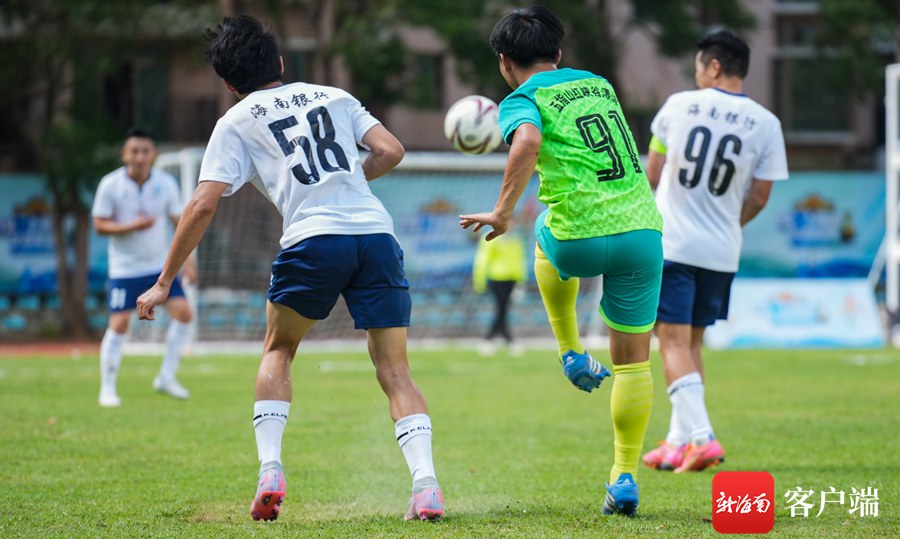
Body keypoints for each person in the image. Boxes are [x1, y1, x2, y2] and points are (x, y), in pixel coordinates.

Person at [135, 14, 443, 522]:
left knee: (278, 350)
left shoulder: (235, 120)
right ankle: (426, 485)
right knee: (395, 370)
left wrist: (164, 280)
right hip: (376, 235)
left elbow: (202, 205)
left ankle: (271, 471)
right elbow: (391, 150)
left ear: (228, 84)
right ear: (279, 61)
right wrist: (349, 183)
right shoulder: (334, 96)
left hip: (313, 240)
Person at [460, 6, 663, 517]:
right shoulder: (598, 84)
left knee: (544, 229)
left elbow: (528, 140)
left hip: (578, 239)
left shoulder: (520, 99)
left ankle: (570, 350)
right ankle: (624, 476)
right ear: (558, 52)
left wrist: (502, 212)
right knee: (634, 364)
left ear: (504, 61)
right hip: (642, 231)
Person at [641, 30, 789, 473]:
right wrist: (727, 223)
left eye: (698, 68)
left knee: (670, 341)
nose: (696, 75)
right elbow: (760, 196)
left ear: (714, 66)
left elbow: (652, 174)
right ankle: (677, 442)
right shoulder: (767, 123)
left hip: (674, 244)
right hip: (722, 250)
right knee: (691, 343)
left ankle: (703, 437)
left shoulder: (678, 106)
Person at [92, 127, 197, 408]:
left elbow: (179, 225)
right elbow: (99, 224)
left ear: (154, 154)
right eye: (134, 151)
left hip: (159, 269)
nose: (140, 157)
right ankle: (108, 388)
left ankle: (167, 377)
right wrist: (131, 226)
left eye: (145, 151)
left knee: (184, 313)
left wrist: (188, 262)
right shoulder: (110, 184)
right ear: (124, 154)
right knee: (119, 324)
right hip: (124, 269)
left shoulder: (166, 183)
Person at [471, 218, 527, 356]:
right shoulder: (491, 239)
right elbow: (482, 260)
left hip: (511, 280)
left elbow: (519, 262)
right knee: (501, 309)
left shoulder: (516, 241)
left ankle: (500, 339)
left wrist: (520, 283)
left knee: (503, 309)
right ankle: (497, 339)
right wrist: (479, 281)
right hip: (496, 278)